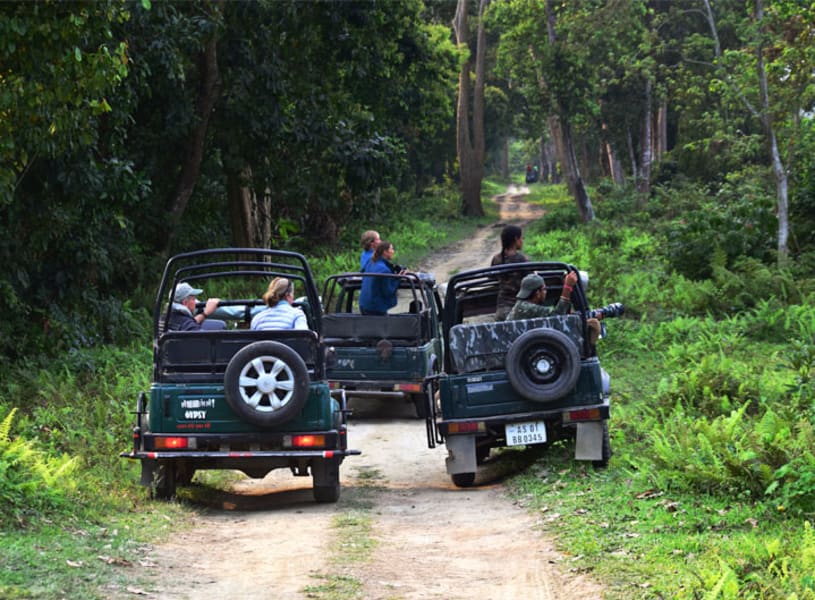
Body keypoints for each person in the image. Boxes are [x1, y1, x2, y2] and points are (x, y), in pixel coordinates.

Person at [506, 271, 579, 321]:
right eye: (544, 289)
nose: (546, 292)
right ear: (538, 293)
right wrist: (567, 287)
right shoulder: (528, 308)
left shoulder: (521, 305)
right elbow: (557, 317)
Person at [490, 225, 528, 321]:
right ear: (516, 239)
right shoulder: (521, 259)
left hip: (501, 310)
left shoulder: (496, 259)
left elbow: (491, 278)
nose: (522, 241)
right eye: (521, 238)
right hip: (519, 309)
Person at [359, 240, 402, 315]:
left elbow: (363, 271)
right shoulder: (384, 271)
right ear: (385, 252)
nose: (393, 251)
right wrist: (398, 278)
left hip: (363, 305)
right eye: (391, 249)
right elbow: (389, 291)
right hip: (375, 309)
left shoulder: (370, 261)